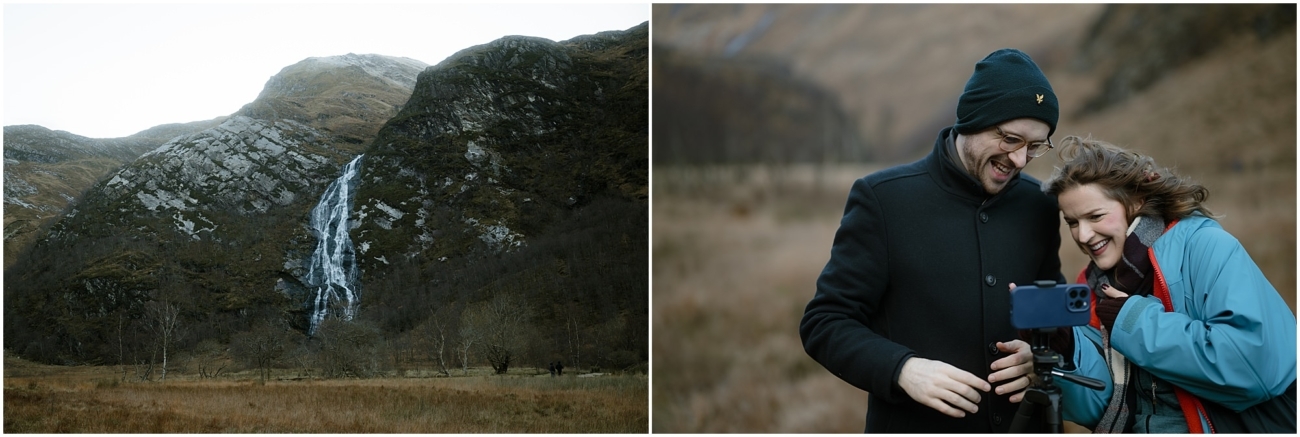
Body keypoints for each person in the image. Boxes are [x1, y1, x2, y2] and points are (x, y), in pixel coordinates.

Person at [800, 48, 1066, 433]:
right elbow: (825, 322)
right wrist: (903, 369)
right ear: (973, 120)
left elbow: (1053, 316)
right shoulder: (884, 199)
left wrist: (1039, 355)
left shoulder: (1039, 203)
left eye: (1036, 146)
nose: (1021, 159)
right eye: (1010, 139)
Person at [1041, 135, 1297, 433]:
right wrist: (1068, 353)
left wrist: (1133, 321)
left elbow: (1252, 366)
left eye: (1095, 216)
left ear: (1137, 201)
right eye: (1072, 222)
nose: (1083, 235)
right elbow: (1101, 408)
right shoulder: (1093, 283)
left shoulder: (1206, 246)